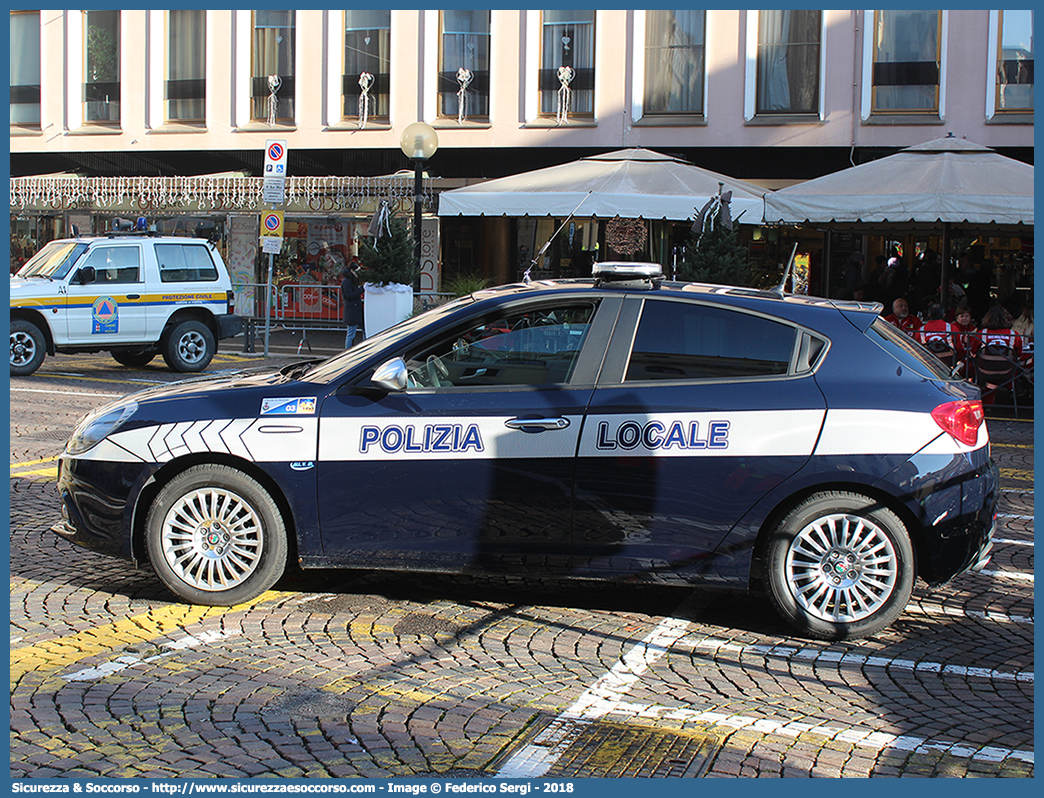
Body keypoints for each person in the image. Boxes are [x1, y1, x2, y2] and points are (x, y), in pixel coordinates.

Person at [340, 264, 364, 348]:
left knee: (355, 331)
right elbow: (349, 296)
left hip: (354, 309)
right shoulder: (347, 281)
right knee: (351, 333)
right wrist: (361, 289)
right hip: (352, 310)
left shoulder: (350, 280)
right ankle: (348, 350)